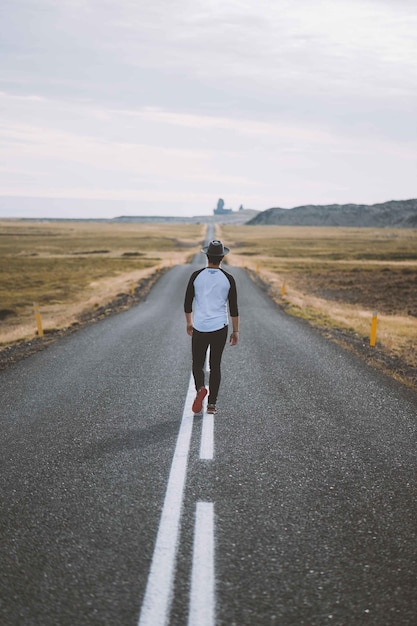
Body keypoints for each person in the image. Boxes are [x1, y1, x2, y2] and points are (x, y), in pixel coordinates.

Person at [184, 239, 239, 415]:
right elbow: (234, 308)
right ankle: (212, 405)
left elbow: (187, 303)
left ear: (207, 256)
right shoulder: (229, 279)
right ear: (222, 257)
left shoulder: (196, 276)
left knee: (197, 363)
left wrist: (189, 323)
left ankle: (200, 388)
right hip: (220, 327)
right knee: (215, 365)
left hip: (200, 326)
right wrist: (236, 331)